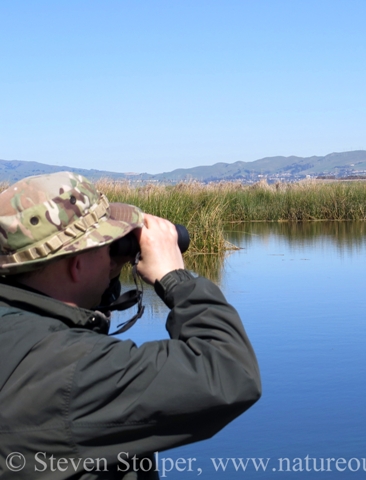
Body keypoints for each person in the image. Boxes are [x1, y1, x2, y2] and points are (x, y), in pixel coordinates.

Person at [0, 172, 261, 479]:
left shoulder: (19, 334)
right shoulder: (72, 370)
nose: (116, 251)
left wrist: (99, 290)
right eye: (106, 243)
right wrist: (173, 277)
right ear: (77, 264)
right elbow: (230, 373)